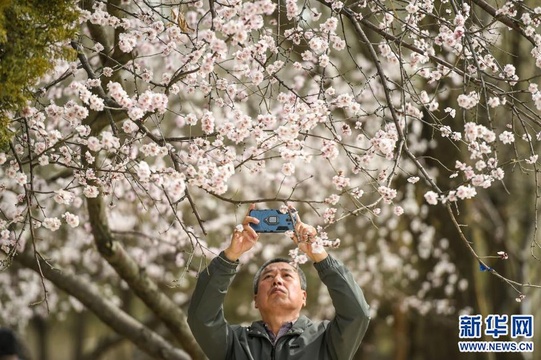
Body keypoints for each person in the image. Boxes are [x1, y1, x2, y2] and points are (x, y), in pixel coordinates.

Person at [187, 204, 370, 360]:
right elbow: (202, 318)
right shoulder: (235, 344)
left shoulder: (326, 340)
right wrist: (230, 256)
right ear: (256, 300)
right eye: (267, 276)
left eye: (287, 275)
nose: (277, 280)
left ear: (303, 296)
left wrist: (319, 255)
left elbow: (357, 314)